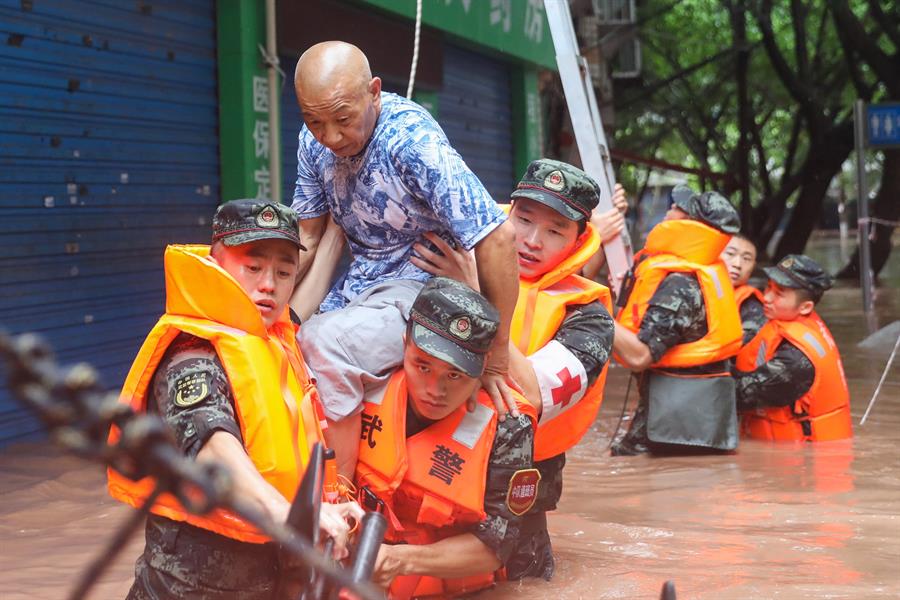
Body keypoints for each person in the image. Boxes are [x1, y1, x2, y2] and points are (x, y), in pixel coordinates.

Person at [107, 200, 364, 599]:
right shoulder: (191, 356)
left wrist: (335, 232)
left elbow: (297, 309)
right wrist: (295, 517)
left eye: (283, 272)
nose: (268, 285)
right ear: (216, 264)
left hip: (264, 579)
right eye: (253, 267)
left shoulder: (272, 338)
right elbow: (213, 448)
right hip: (187, 587)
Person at [290, 40, 518, 476]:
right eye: (314, 121)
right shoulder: (311, 143)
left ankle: (340, 498)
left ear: (374, 92)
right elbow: (308, 236)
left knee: (323, 343)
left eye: (343, 119)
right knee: (287, 350)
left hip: (424, 287)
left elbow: (499, 237)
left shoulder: (412, 143)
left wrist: (496, 353)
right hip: (360, 286)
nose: (331, 137)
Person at [414, 159, 616, 579]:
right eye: (523, 220)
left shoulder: (590, 317)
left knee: (519, 584)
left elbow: (536, 396)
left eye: (555, 230)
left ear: (580, 240)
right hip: (425, 469)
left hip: (516, 489)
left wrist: (478, 292)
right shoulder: (449, 257)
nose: (531, 241)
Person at [355, 277, 538, 598]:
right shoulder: (361, 384)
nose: (435, 390)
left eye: (455, 374)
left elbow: (499, 544)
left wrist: (398, 560)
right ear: (404, 345)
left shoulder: (509, 425)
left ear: (483, 368)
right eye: (422, 366)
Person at [611, 185, 743, 456]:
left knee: (630, 461)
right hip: (691, 427)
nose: (669, 209)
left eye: (676, 206)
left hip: (671, 431)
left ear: (690, 224)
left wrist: (592, 310)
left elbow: (639, 356)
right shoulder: (699, 272)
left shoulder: (681, 283)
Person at [734, 254, 853, 441]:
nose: (766, 298)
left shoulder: (796, 359)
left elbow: (738, 396)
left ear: (805, 307)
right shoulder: (786, 323)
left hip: (805, 461)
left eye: (779, 293)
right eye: (768, 287)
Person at [721, 232, 767, 344]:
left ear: (753, 267)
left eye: (746, 259)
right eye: (730, 254)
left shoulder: (752, 307)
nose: (737, 264)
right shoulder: (687, 286)